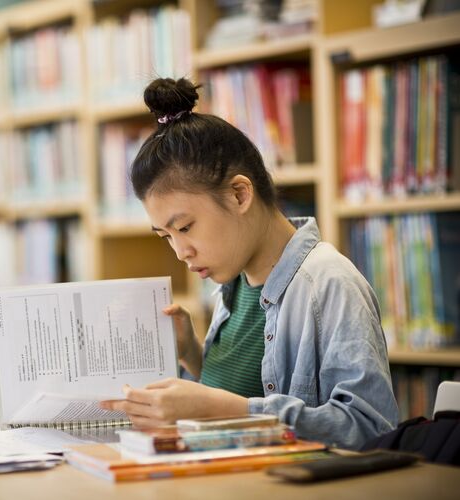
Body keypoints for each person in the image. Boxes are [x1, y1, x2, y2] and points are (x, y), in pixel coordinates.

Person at [100, 77, 399, 449]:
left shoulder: (329, 283)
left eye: (186, 227)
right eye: (166, 236)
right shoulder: (233, 286)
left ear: (240, 194)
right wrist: (191, 352)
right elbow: (233, 388)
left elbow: (372, 429)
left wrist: (234, 410)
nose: (181, 252)